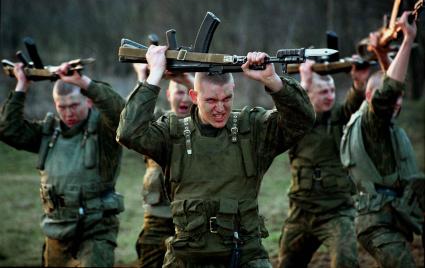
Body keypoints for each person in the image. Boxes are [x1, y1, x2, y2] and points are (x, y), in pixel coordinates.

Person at [116, 45, 315, 267]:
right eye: (211, 100)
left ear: (233, 91)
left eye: (227, 99)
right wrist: (154, 75)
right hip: (188, 257)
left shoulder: (253, 129)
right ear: (194, 96)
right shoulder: (172, 134)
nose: (220, 108)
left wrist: (273, 80)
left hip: (244, 254)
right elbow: (128, 132)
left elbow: (302, 120)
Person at [0, 61, 125, 267]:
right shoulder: (49, 133)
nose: (68, 113)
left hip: (96, 229)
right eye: (62, 107)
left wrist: (85, 83)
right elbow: (8, 130)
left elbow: (121, 112)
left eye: (74, 105)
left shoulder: (105, 131)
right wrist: (22, 85)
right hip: (57, 228)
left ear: (89, 102)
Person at [340, 11, 424, 267]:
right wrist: (408, 40)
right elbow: (389, 90)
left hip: (394, 212)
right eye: (391, 100)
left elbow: (389, 87)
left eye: (400, 100)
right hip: (377, 223)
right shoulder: (371, 121)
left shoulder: (377, 122)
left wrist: (380, 53)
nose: (397, 104)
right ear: (368, 97)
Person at [277, 55, 369, 268]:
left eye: (332, 91)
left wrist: (359, 83)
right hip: (301, 211)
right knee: (287, 264)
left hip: (336, 212)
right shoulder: (296, 122)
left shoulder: (340, 117)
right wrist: (305, 82)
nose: (330, 96)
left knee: (346, 261)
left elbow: (353, 105)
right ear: (308, 94)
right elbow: (287, 109)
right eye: (323, 92)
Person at [132, 62, 194, 268]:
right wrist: (144, 74)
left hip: (192, 217)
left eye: (188, 93)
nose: (184, 99)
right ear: (168, 95)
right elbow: (135, 117)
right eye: (178, 93)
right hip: (157, 217)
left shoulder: (206, 125)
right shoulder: (157, 122)